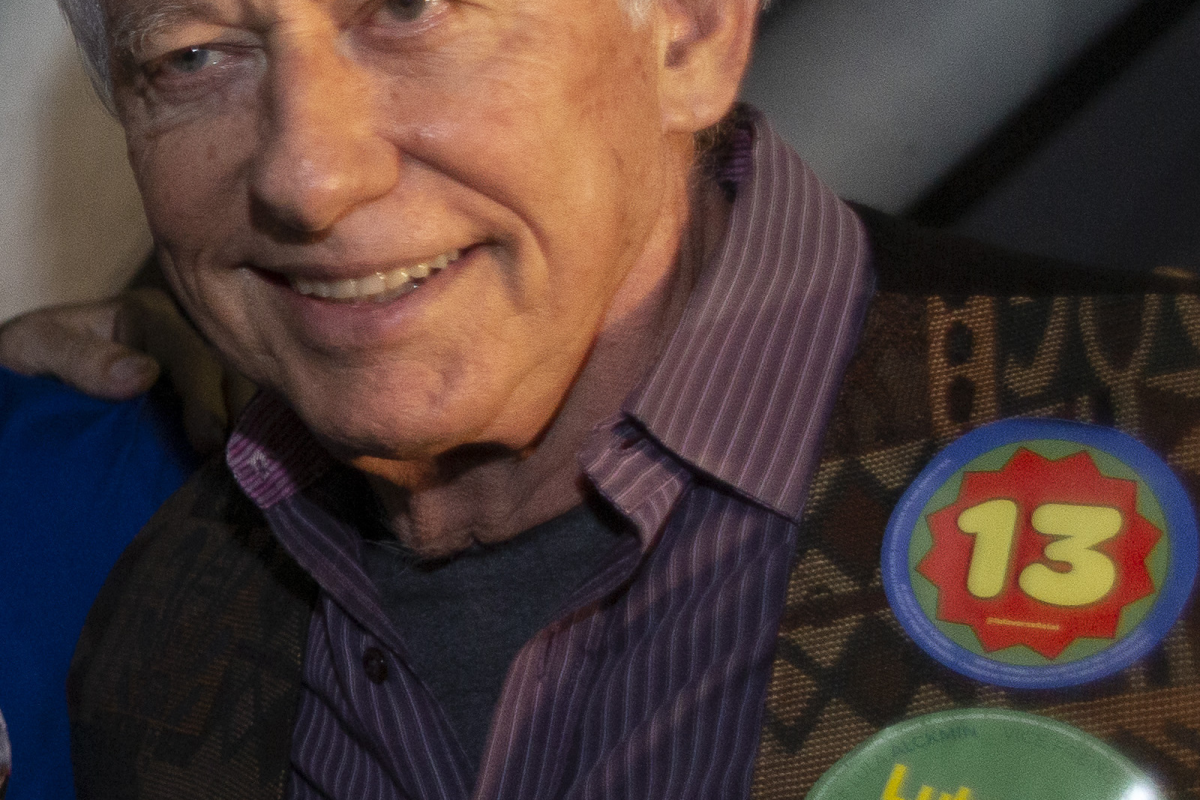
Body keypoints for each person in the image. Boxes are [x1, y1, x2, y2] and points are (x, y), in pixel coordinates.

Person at [2, 0, 1199, 797]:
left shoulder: (1162, 439)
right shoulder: (154, 620)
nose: (307, 172)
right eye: (193, 55)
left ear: (690, 30)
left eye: (412, 7)